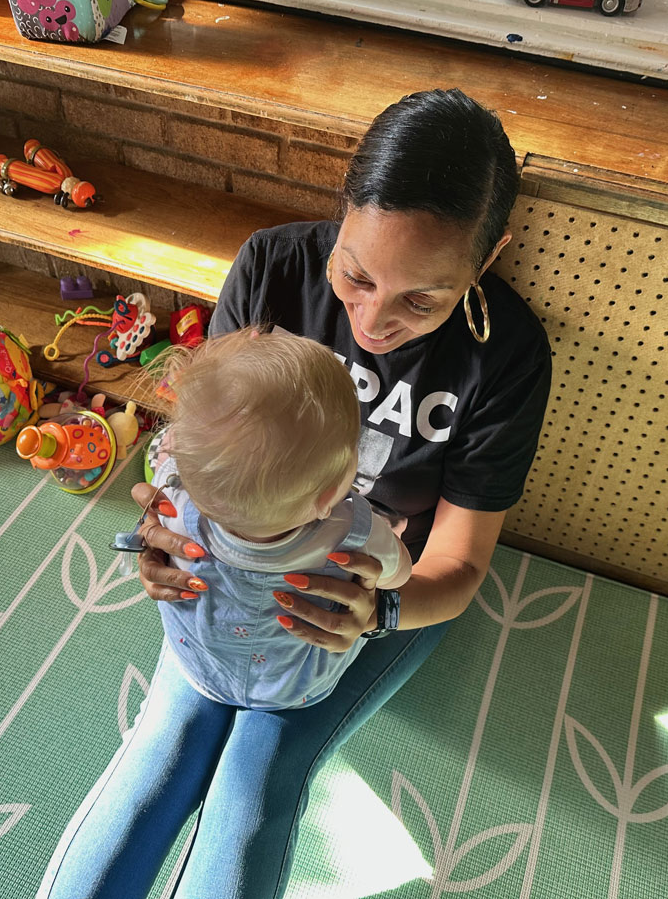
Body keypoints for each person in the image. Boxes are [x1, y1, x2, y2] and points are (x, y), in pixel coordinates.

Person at [38, 87, 552, 899]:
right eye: (354, 273)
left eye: (424, 299)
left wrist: (376, 612)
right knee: (165, 748)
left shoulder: (507, 355)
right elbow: (201, 441)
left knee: (256, 783)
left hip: (373, 591)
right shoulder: (274, 267)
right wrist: (160, 532)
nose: (374, 320)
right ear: (341, 215)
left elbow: (456, 561)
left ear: (488, 260)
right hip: (229, 570)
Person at [145, 328, 412, 710]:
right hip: (296, 685)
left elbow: (166, 470)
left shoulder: (174, 496)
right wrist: (388, 539)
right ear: (327, 500)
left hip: (199, 665)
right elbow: (399, 575)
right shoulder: (354, 531)